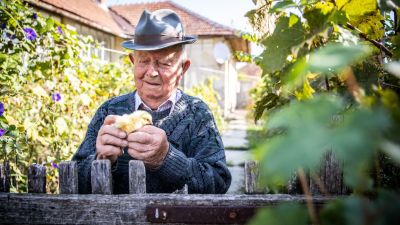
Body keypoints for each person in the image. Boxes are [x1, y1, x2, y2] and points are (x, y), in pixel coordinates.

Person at [72, 9, 231, 194]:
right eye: (143, 61)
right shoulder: (109, 111)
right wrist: (100, 160)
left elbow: (219, 182)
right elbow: (73, 180)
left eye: (164, 63)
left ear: (183, 68)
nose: (152, 72)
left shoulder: (198, 114)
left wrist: (167, 158)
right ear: (133, 61)